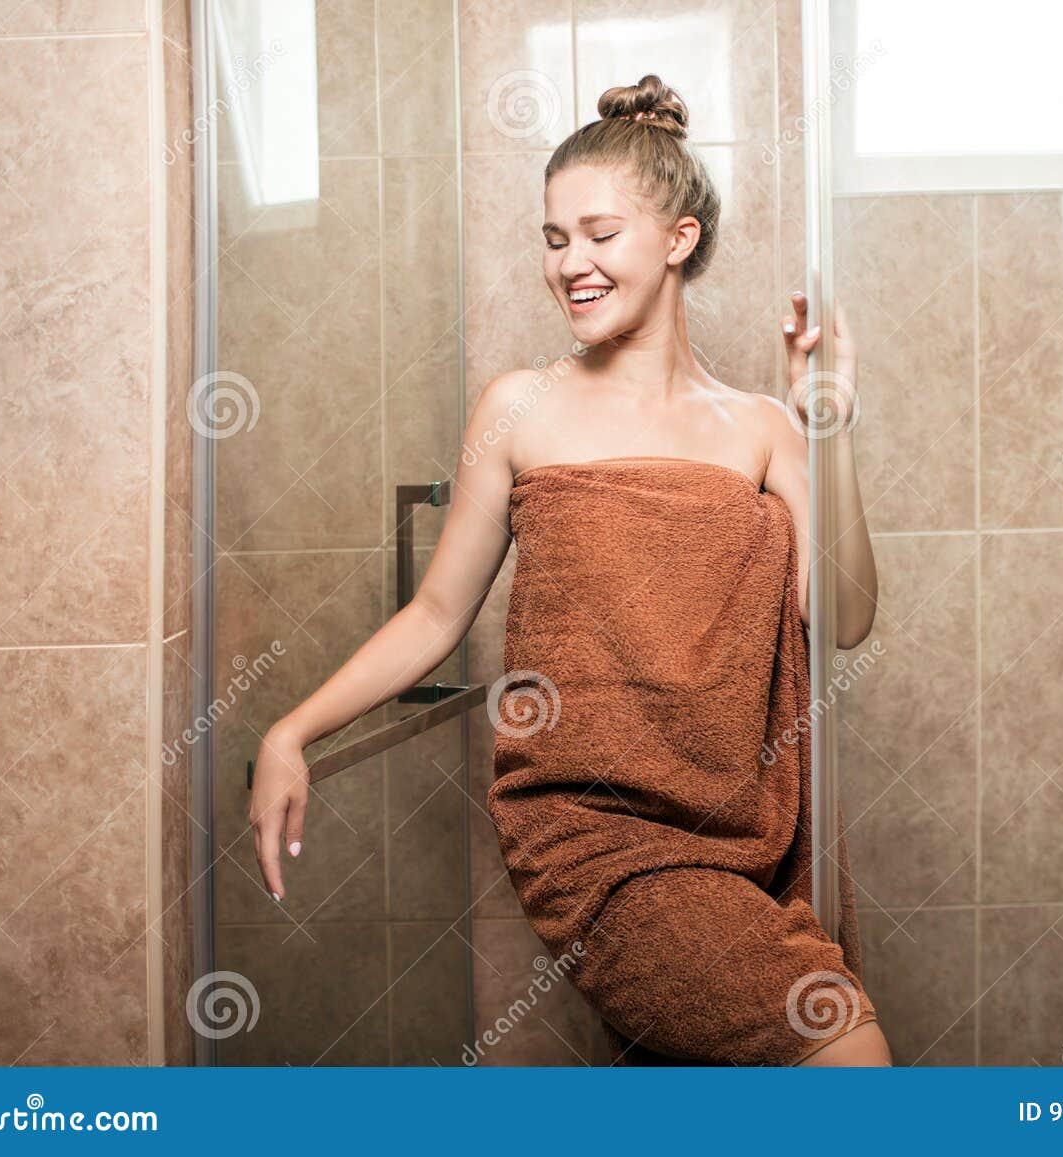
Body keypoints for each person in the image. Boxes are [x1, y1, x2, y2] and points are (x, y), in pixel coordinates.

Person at [250, 74, 887, 1067]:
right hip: (594, 838)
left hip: (744, 834)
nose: (570, 264)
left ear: (678, 238)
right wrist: (290, 728)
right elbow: (434, 613)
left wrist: (829, 427)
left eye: (599, 233)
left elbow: (839, 617)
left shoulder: (763, 426)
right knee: (836, 1043)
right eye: (554, 239)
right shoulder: (521, 407)